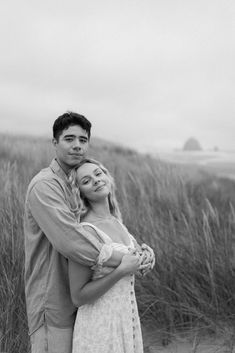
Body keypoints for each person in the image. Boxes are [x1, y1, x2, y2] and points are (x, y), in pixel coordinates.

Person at [24, 112, 140, 353]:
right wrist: (126, 259)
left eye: (83, 139)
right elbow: (72, 242)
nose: (77, 145)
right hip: (53, 302)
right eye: (69, 139)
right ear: (55, 143)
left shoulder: (76, 185)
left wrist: (136, 254)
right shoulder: (45, 185)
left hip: (83, 306)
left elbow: (99, 229)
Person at [68, 158, 155, 353]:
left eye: (98, 174)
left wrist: (145, 257)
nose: (96, 180)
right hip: (99, 329)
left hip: (126, 320)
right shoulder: (86, 232)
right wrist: (121, 270)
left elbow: (131, 263)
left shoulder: (117, 222)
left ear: (107, 176)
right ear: (80, 193)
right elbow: (78, 296)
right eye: (86, 180)